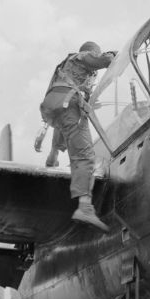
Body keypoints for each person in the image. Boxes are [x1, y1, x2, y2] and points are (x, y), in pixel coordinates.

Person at [39, 41, 116, 231]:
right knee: (85, 156)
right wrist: (114, 55)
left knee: (67, 127)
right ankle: (85, 208)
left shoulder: (66, 67)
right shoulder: (81, 57)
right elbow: (103, 60)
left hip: (54, 106)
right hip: (68, 103)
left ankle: (53, 157)